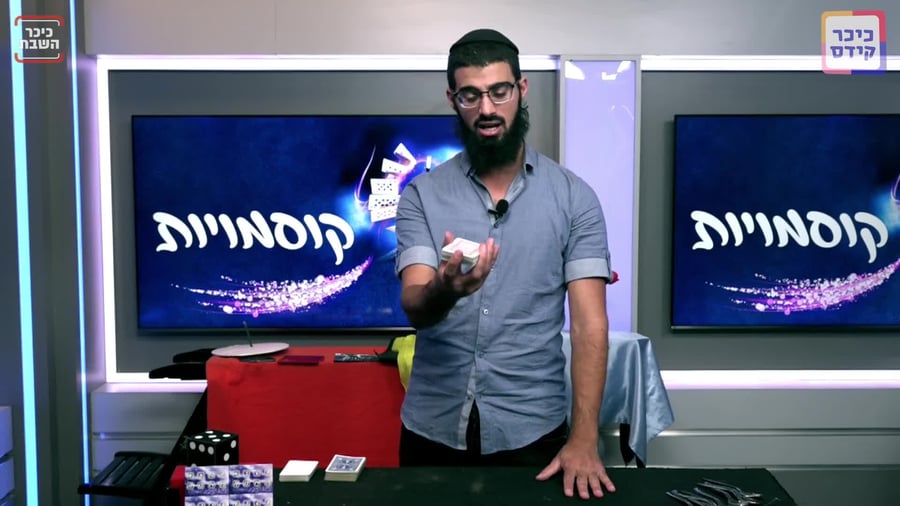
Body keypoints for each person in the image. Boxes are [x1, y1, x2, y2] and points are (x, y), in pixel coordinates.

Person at [394, 28, 616, 500]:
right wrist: (445, 290)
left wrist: (584, 438)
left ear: (522, 88)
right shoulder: (421, 195)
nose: (487, 109)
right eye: (471, 96)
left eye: (500, 91)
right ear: (453, 99)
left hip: (533, 433)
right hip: (432, 432)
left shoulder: (574, 198)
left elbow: (589, 326)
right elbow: (414, 305)